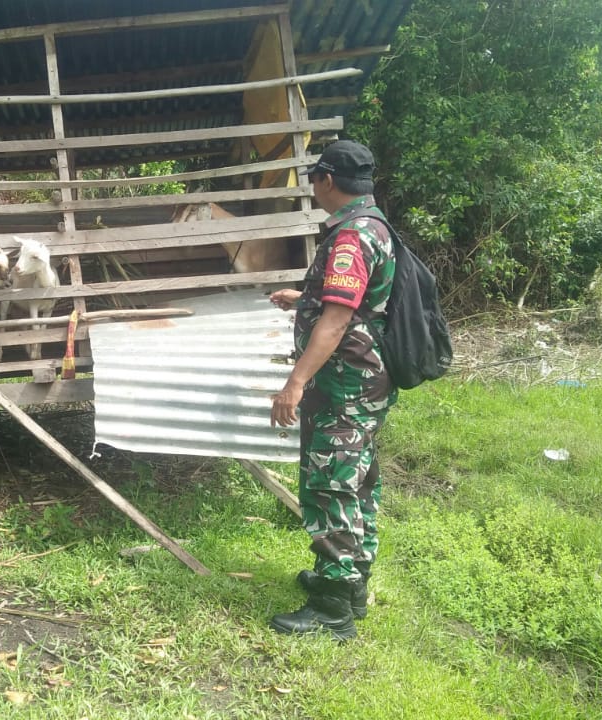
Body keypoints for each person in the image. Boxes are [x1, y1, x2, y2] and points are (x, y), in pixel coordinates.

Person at [268, 140, 396, 640]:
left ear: (326, 180)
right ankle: (351, 582)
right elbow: (363, 301)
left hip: (344, 384)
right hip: (367, 380)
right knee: (359, 479)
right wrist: (305, 299)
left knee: (331, 484)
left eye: (314, 180)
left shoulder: (349, 237)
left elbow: (340, 319)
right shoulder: (375, 224)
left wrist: (295, 382)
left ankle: (332, 610)